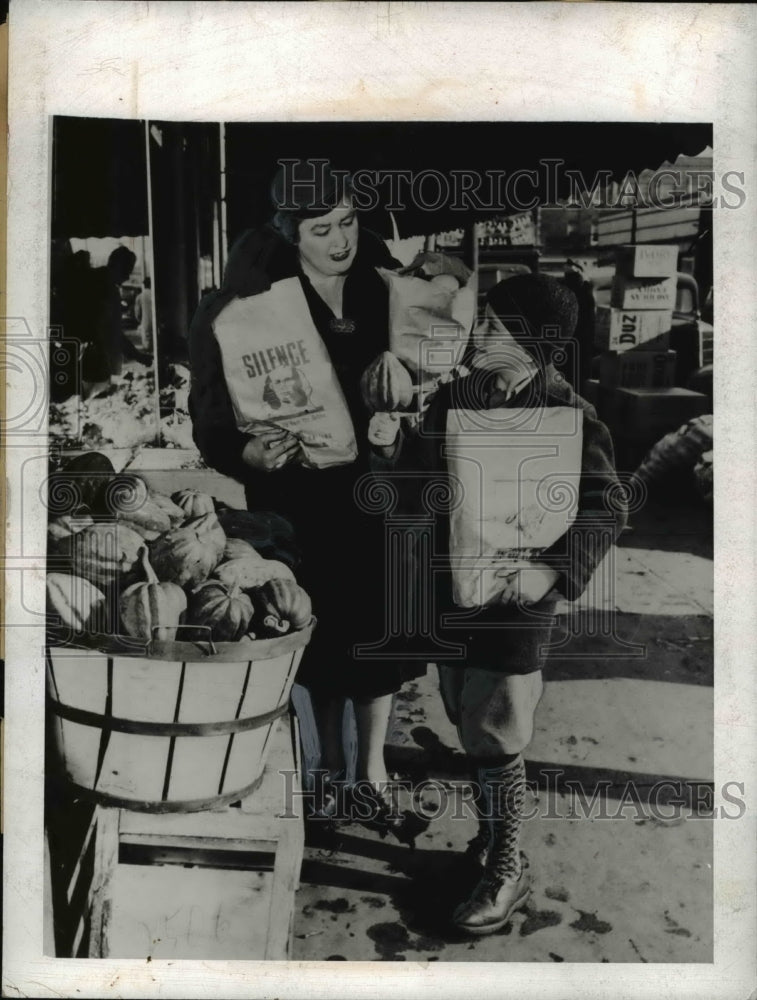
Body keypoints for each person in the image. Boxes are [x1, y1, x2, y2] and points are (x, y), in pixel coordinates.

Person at [368, 274, 627, 934]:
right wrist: (388, 449)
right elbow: (415, 482)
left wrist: (552, 571)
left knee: (497, 731)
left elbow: (605, 507)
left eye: (494, 325)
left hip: (516, 605)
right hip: (455, 590)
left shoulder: (569, 415)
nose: (478, 332)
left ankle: (507, 867)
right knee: (465, 717)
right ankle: (489, 841)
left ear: (531, 347)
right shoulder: (456, 397)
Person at [188, 163, 425, 831]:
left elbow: (431, 381)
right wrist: (241, 452)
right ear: (287, 232)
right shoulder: (244, 305)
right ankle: (323, 766)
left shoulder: (390, 293)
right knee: (311, 622)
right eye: (321, 229)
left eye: (348, 222)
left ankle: (370, 771)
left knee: (377, 627)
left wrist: (401, 413)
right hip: (296, 496)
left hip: (378, 491)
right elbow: (207, 413)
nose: (341, 240)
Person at [80, 245, 137, 400]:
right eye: (127, 270)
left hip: (91, 356)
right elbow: (110, 330)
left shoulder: (98, 280)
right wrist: (135, 354)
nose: (128, 276)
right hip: (92, 359)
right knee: (91, 401)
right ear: (118, 266)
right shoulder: (105, 287)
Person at [134, 276, 153, 350]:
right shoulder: (154, 295)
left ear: (144, 285)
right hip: (156, 324)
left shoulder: (140, 296)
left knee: (147, 347)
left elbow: (137, 314)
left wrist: (140, 321)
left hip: (145, 323)